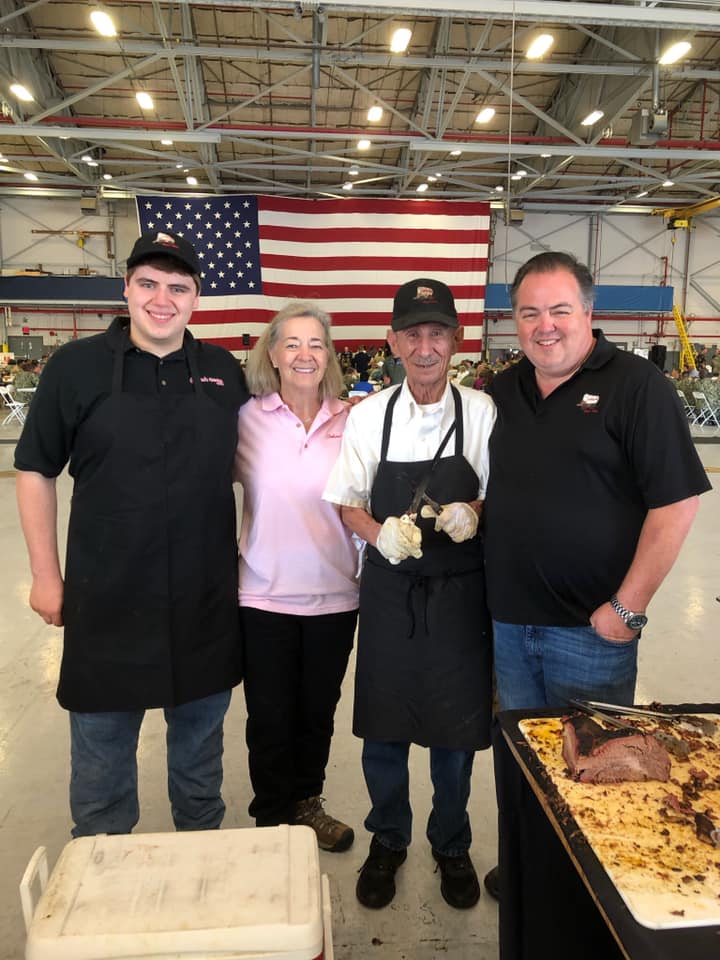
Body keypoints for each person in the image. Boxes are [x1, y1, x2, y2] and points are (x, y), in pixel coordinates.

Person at [482, 250, 711, 903]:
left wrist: (627, 607)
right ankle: (528, 869)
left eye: (559, 310)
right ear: (515, 320)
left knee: (598, 775)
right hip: (510, 626)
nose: (544, 325)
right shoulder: (502, 391)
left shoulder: (637, 386)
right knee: (522, 763)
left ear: (588, 312)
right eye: (530, 313)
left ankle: (581, 897)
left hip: (591, 632)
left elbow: (676, 504)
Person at [14, 230, 249, 837]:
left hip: (202, 602)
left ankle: (201, 863)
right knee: (101, 780)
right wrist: (44, 576)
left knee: (199, 771)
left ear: (196, 297)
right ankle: (99, 866)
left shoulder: (222, 371)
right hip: (106, 602)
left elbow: (261, 466)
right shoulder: (75, 367)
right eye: (148, 283)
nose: (161, 299)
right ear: (126, 288)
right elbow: (35, 470)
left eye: (177, 287)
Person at [324, 278, 496, 911]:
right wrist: (380, 535)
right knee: (385, 730)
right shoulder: (368, 415)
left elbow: (497, 492)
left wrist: (474, 512)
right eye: (413, 335)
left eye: (438, 333)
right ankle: (389, 838)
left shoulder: (481, 412)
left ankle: (451, 842)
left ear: (456, 340)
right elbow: (347, 501)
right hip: (391, 593)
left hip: (460, 596)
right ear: (393, 343)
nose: (426, 348)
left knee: (456, 734)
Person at [234, 301, 360, 852]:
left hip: (336, 596)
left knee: (317, 713)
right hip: (263, 595)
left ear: (328, 356)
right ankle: (270, 820)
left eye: (316, 344)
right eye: (292, 343)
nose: (304, 354)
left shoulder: (353, 421)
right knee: (268, 718)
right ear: (273, 354)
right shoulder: (245, 419)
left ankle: (307, 802)